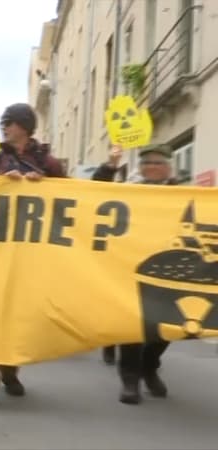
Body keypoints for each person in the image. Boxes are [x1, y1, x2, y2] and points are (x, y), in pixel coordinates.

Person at [0, 103, 66, 410]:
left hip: (30, 255)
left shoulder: (49, 163)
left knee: (17, 318)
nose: (4, 128)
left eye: (8, 123)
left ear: (24, 126)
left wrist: (45, 186)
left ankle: (10, 372)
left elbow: (72, 200)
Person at [92, 143, 177, 405]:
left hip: (168, 268)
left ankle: (150, 367)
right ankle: (130, 379)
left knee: (166, 326)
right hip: (129, 265)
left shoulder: (183, 193)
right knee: (132, 324)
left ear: (168, 166)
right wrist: (110, 166)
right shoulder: (130, 190)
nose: (152, 167)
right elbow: (95, 193)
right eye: (146, 163)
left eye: (157, 162)